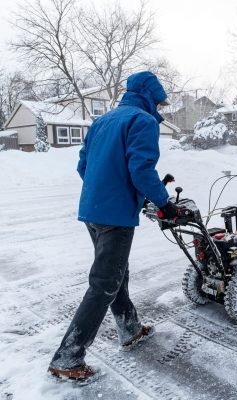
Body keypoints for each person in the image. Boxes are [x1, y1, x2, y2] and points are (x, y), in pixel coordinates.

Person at [48, 71, 178, 382]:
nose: (159, 109)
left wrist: (104, 191)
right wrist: (165, 204)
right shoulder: (142, 122)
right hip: (115, 217)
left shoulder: (102, 121)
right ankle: (68, 358)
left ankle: (129, 328)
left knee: (116, 272)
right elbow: (141, 169)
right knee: (104, 283)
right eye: (158, 102)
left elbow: (83, 164)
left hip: (92, 211)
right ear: (149, 97)